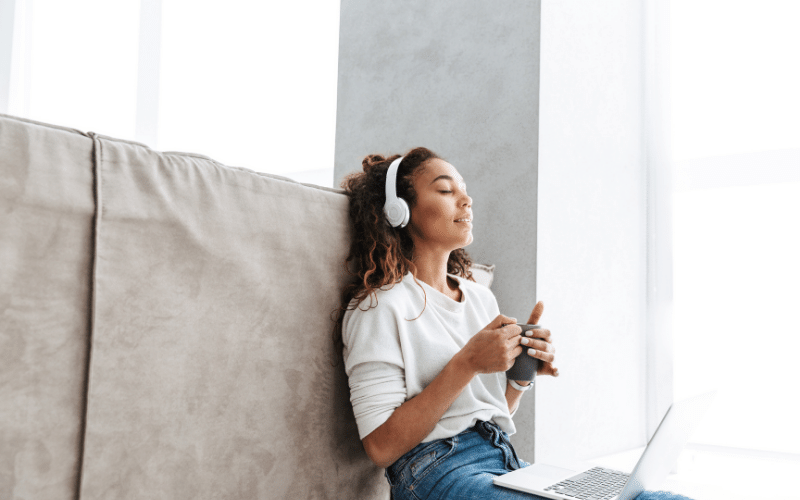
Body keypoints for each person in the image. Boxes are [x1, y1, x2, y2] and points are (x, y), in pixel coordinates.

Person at [333, 148, 692, 500]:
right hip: (432, 472)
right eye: (446, 190)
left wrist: (520, 377)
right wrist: (467, 362)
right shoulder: (379, 307)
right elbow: (380, 447)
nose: (466, 199)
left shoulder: (478, 298)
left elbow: (483, 412)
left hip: (503, 458)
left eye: (464, 189)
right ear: (400, 211)